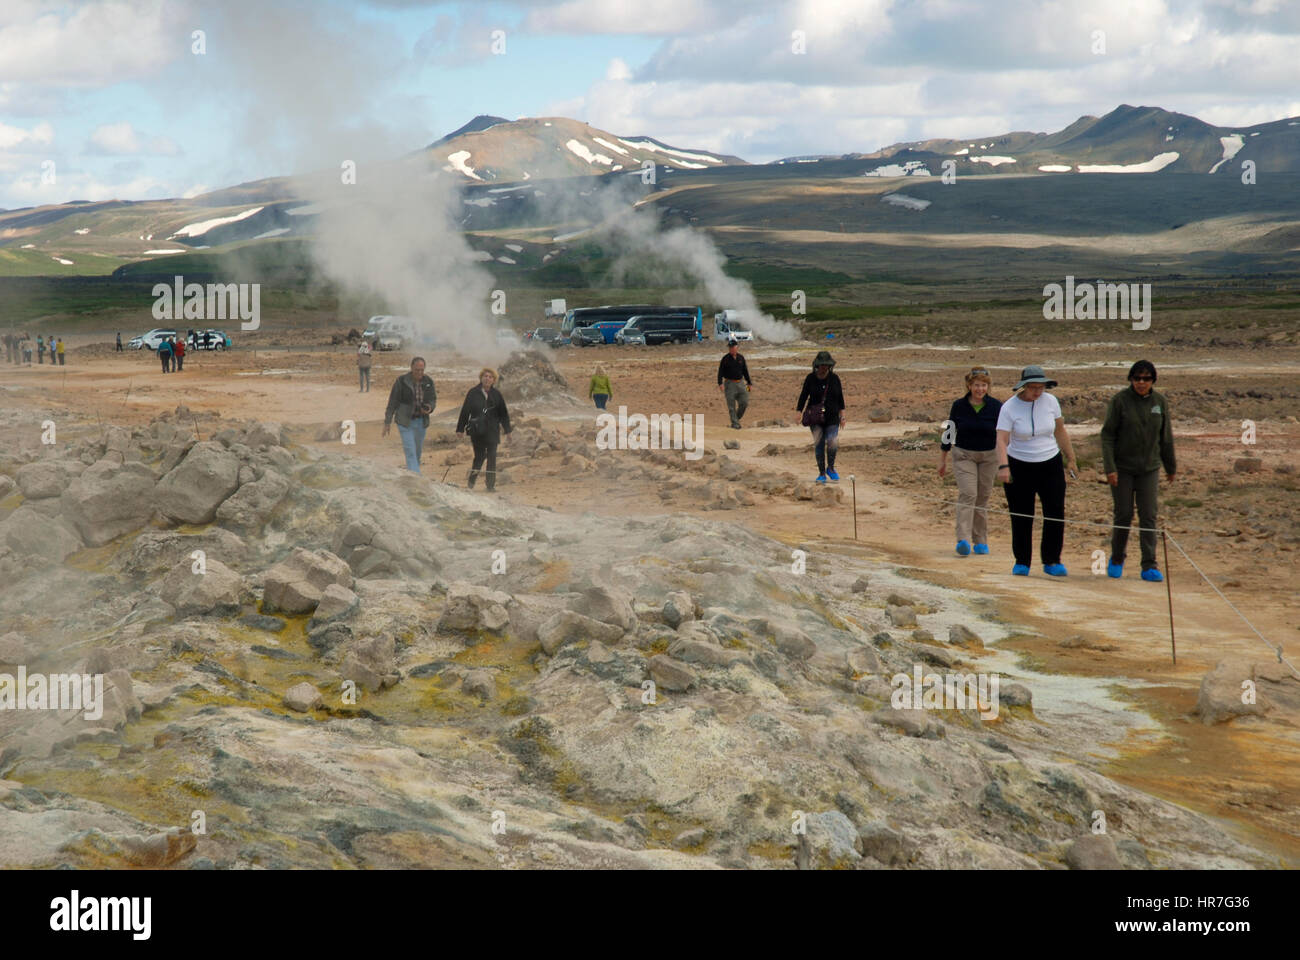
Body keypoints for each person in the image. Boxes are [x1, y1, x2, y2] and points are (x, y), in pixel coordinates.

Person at [995, 365, 1078, 576]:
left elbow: (1060, 430)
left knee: (1055, 511)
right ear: (1023, 387)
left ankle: (1052, 560)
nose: (1037, 392)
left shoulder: (1051, 402)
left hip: (1050, 462)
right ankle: (1022, 561)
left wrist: (1071, 458)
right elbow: (1001, 439)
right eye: (1033, 388)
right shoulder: (1009, 408)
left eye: (1041, 388)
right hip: (1019, 464)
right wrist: (1003, 466)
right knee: (1022, 514)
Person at [1101, 360, 1176, 582]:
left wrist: (1170, 466)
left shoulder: (1159, 402)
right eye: (1137, 378)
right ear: (1131, 379)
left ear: (1153, 380)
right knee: (1124, 513)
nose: (1141, 383)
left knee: (1149, 515)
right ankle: (1116, 559)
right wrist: (1110, 468)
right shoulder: (1120, 401)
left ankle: (1149, 565)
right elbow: (1107, 436)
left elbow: (1166, 437)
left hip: (1149, 468)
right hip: (1122, 468)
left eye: (1146, 379)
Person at [939, 367, 1003, 556]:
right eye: (976, 385)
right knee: (968, 493)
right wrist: (942, 459)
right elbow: (949, 431)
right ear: (969, 386)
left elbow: (1003, 433)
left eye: (983, 385)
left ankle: (980, 540)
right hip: (964, 455)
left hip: (989, 457)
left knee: (982, 497)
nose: (980, 389)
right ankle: (963, 539)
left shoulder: (996, 406)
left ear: (988, 387)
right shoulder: (959, 405)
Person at [456, 367, 512, 492]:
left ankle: (490, 486)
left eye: (490, 377)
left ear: (494, 380)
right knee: (479, 457)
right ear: (481, 378)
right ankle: (471, 483)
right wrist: (460, 429)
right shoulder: (473, 393)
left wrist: (508, 431)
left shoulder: (496, 395)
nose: (487, 378)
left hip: (492, 431)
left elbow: (503, 413)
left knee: (492, 458)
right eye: (485, 376)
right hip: (478, 431)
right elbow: (465, 411)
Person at [796, 350, 846, 483]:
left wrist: (842, 416)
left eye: (826, 365)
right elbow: (803, 396)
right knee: (819, 444)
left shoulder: (835, 379)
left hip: (832, 417)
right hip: (815, 418)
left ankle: (831, 468)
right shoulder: (810, 378)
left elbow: (840, 398)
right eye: (822, 365)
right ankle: (822, 473)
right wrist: (799, 411)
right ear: (817, 365)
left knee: (832, 442)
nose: (824, 367)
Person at [383, 356, 436, 473]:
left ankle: (412, 473)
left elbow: (433, 399)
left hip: (421, 422)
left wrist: (429, 408)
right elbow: (393, 401)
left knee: (417, 452)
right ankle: (417, 478)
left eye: (422, 370)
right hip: (405, 422)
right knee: (410, 450)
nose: (420, 372)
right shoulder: (402, 381)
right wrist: (387, 421)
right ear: (411, 368)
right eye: (417, 370)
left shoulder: (428, 382)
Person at [717, 338, 751, 429]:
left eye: (733, 347)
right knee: (731, 406)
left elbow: (745, 371)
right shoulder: (725, 359)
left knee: (744, 402)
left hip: (740, 383)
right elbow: (720, 371)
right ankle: (735, 424)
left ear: (737, 347)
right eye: (730, 347)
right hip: (729, 384)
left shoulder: (741, 358)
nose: (731, 349)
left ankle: (735, 419)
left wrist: (749, 382)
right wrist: (720, 383)